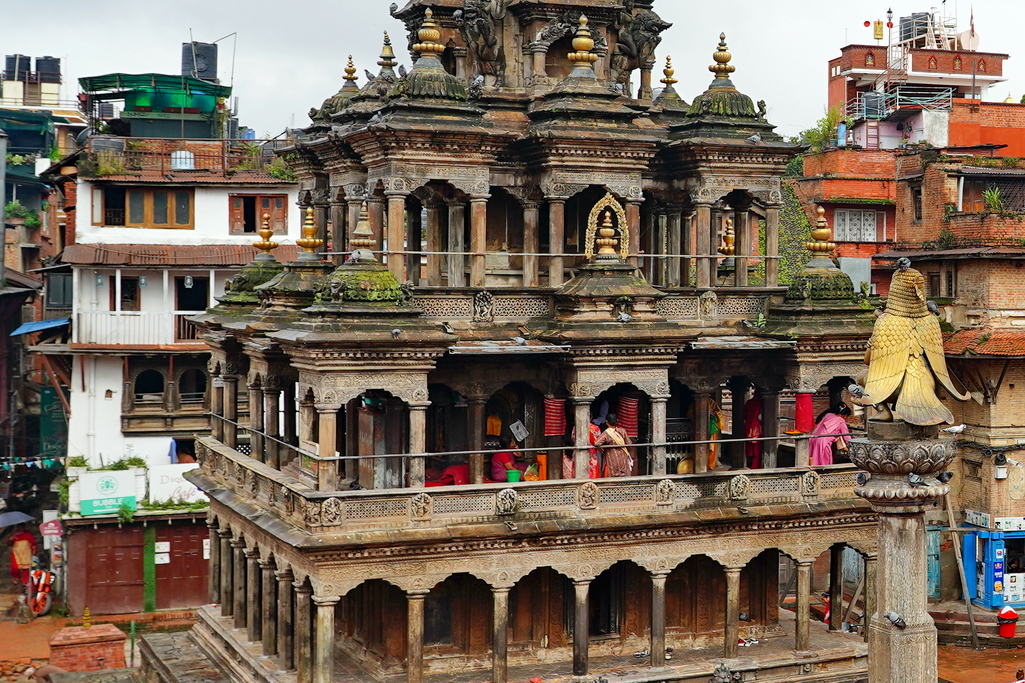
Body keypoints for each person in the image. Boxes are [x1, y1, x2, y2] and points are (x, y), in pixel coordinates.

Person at [742, 390, 763, 469]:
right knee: (757, 452)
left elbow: (744, 416)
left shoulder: (748, 402)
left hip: (747, 428)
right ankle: (755, 467)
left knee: (749, 450)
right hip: (757, 429)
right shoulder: (760, 403)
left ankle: (749, 465)